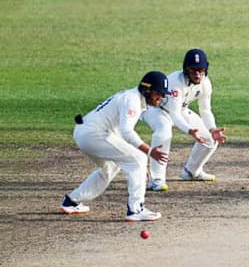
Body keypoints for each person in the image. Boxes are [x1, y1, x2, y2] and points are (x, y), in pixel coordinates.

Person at [59, 71, 171, 221]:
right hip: (94, 134)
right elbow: (126, 132)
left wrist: (141, 165)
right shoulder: (132, 100)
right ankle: (136, 209)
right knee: (138, 159)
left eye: (163, 94)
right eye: (158, 93)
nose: (161, 98)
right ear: (147, 90)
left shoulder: (134, 98)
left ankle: (71, 201)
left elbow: (118, 133)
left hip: (86, 133)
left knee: (110, 168)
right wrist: (149, 151)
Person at [141, 49, 227, 191]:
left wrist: (212, 129)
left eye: (201, 70)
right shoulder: (176, 82)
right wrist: (189, 131)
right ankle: (156, 179)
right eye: (193, 70)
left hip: (181, 110)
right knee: (164, 132)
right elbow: (174, 114)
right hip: (155, 109)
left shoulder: (205, 84)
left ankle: (191, 172)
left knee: (210, 139)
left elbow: (205, 110)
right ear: (186, 69)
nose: (197, 74)